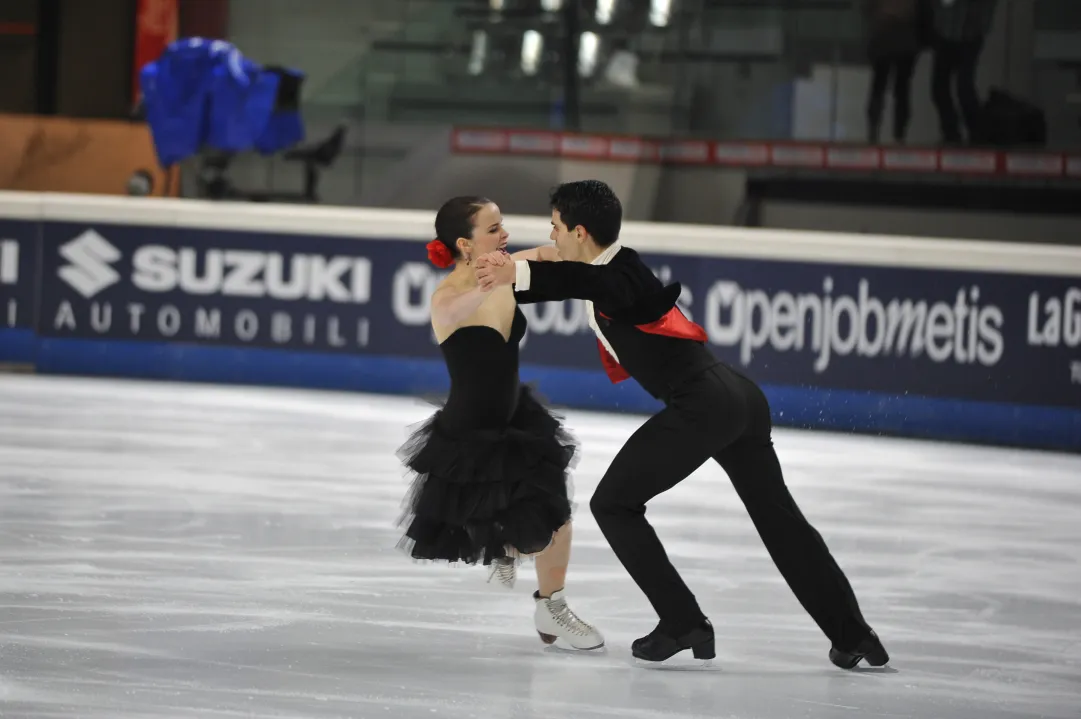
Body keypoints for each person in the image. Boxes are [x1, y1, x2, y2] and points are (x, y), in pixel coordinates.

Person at [475, 180, 888, 669]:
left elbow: (571, 280)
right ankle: (853, 634)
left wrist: (513, 271)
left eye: (557, 226)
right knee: (781, 522)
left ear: (581, 232)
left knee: (614, 503)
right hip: (734, 397)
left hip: (706, 404)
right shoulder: (604, 264)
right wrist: (497, 267)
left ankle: (682, 621)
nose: (552, 234)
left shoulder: (618, 277)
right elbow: (552, 264)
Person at [396, 195, 604, 652]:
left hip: (518, 424)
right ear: (464, 245)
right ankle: (507, 547)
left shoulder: (506, 271)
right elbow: (452, 314)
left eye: (502, 226)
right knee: (530, 533)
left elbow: (553, 256)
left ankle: (551, 604)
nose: (505, 236)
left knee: (557, 519)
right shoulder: (447, 297)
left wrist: (590, 248)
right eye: (493, 229)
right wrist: (494, 282)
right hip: (472, 439)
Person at [929, 0, 999, 145]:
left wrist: (981, 26)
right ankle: (952, 133)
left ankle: (977, 133)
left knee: (964, 87)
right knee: (938, 87)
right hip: (946, 33)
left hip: (969, 34)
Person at [863, 0, 931, 144]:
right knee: (901, 90)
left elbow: (867, 9)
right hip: (906, 38)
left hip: (884, 35)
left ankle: (873, 132)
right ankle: (899, 135)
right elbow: (924, 13)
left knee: (879, 86)